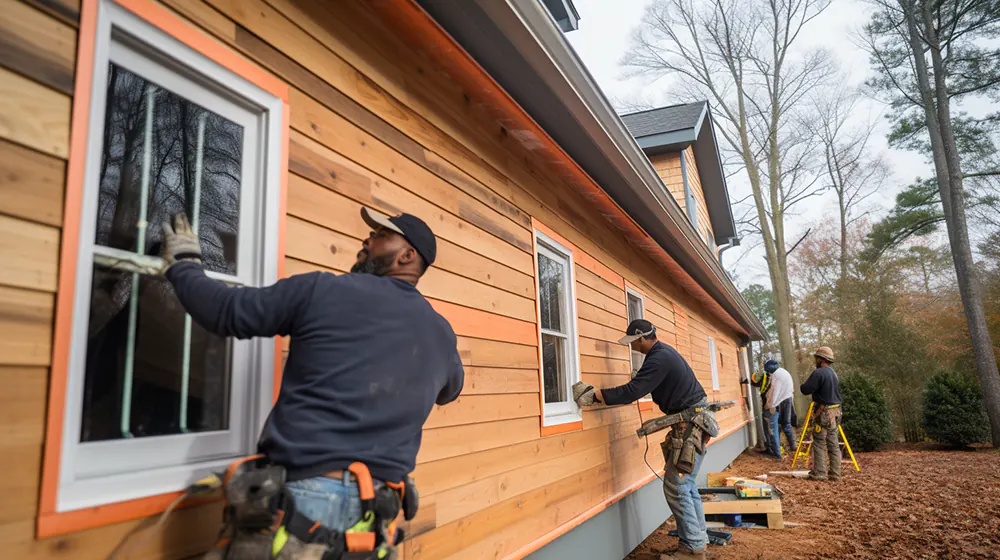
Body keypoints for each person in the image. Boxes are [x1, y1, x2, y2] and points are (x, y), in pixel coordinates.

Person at [159, 208, 464, 546]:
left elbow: (226, 311)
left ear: (407, 256)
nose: (367, 239)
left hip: (304, 504)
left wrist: (184, 264)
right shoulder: (441, 333)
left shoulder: (322, 291)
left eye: (380, 235)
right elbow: (450, 391)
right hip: (373, 517)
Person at [572, 320, 712, 560]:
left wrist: (595, 396)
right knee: (685, 485)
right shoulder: (662, 354)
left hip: (691, 423)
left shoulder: (659, 358)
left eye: (634, 343)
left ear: (642, 337)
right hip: (694, 420)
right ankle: (697, 540)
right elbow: (644, 385)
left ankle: (692, 548)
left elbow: (633, 391)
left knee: (677, 486)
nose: (633, 348)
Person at [800, 346, 842, 482]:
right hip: (836, 412)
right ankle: (835, 475)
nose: (815, 360)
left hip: (823, 412)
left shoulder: (819, 373)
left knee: (819, 442)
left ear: (820, 359)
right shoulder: (833, 374)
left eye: (816, 358)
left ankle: (820, 474)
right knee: (833, 444)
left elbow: (805, 389)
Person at [763, 359, 796, 459]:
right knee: (786, 424)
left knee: (779, 425)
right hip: (789, 398)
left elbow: (775, 391)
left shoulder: (776, 375)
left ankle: (778, 452)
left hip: (782, 401)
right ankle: (793, 446)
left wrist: (771, 405)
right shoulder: (783, 371)